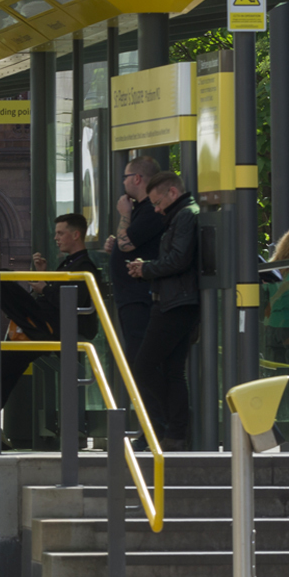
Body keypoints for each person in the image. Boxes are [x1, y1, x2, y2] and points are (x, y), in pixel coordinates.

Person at [0, 213, 101, 448]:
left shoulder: (85, 267)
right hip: (44, 326)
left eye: (61, 233)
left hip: (51, 328)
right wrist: (44, 277)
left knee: (4, 284)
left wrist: (45, 288)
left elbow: (74, 301)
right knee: (0, 373)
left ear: (76, 235)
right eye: (55, 233)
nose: (56, 238)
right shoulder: (70, 264)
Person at [126, 171, 200, 449]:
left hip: (174, 303)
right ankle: (176, 433)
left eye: (157, 203)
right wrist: (148, 267)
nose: (156, 209)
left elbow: (179, 259)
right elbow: (177, 258)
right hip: (177, 300)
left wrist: (146, 268)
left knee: (144, 366)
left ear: (172, 193)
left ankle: (175, 422)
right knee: (171, 370)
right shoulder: (181, 215)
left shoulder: (183, 216)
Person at [107, 155, 162, 366]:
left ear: (137, 178)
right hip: (130, 297)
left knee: (140, 359)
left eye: (126, 177)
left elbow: (127, 243)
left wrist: (124, 216)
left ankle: (145, 399)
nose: (123, 182)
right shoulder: (139, 208)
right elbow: (126, 243)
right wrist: (115, 248)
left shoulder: (150, 209)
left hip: (139, 297)